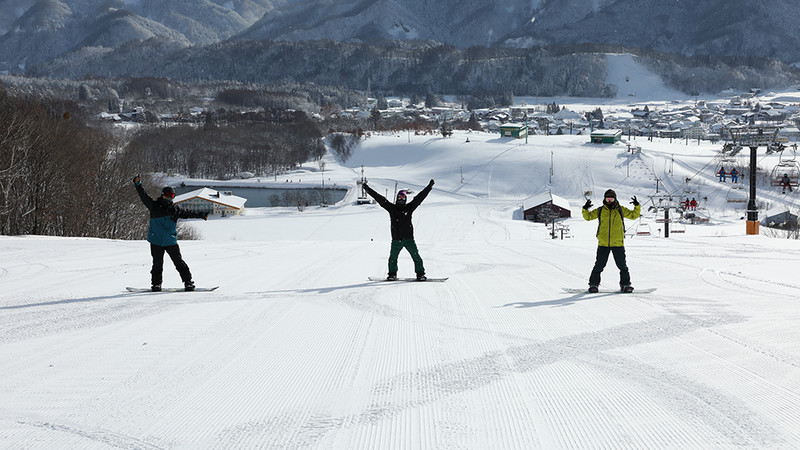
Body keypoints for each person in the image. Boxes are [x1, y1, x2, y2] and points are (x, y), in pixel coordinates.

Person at [133, 176, 208, 291]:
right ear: (163, 195)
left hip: (170, 241)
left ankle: (188, 282)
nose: (170, 197)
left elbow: (188, 213)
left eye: (172, 195)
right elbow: (143, 196)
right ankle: (156, 284)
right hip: (156, 241)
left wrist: (202, 215)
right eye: (168, 195)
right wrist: (138, 185)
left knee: (179, 262)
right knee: (157, 264)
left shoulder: (175, 210)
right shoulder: (154, 206)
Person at [363, 179, 434, 281]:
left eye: (403, 197)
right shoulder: (392, 209)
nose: (401, 199)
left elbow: (419, 198)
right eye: (399, 197)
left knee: (416, 258)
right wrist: (368, 189)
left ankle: (420, 274)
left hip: (409, 240)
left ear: (405, 199)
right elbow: (380, 199)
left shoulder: (409, 208)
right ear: (396, 198)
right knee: (393, 259)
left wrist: (429, 187)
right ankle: (392, 274)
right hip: (396, 240)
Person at [582, 189, 641, 293]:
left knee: (622, 266)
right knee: (599, 265)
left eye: (611, 198)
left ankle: (625, 285)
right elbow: (588, 217)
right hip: (603, 243)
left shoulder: (620, 210)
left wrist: (637, 206)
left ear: (615, 199)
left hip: (618, 243)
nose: (609, 201)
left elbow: (633, 215)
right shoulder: (600, 210)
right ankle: (593, 285)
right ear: (604, 199)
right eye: (608, 198)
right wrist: (585, 209)